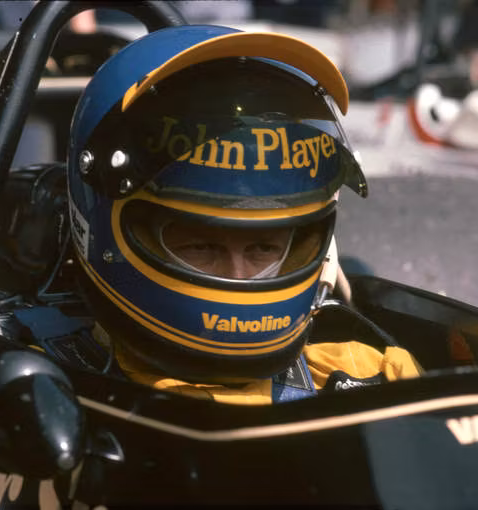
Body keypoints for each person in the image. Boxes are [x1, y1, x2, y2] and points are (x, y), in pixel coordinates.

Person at [66, 24, 422, 405]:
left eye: (263, 248)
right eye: (201, 246)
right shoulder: (46, 391)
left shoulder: (372, 375)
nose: (239, 275)